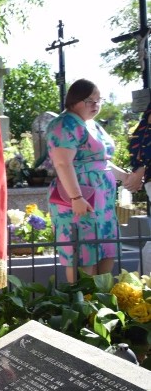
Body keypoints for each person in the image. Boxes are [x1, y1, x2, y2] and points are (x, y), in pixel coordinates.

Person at [45, 79, 141, 283]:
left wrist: (125, 178)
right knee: (84, 254)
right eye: (90, 100)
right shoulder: (65, 124)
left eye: (99, 100)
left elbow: (101, 161)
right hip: (79, 197)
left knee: (105, 250)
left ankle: (101, 303)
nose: (96, 105)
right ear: (73, 101)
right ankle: (84, 305)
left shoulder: (92, 124)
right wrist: (76, 197)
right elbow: (63, 163)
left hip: (101, 201)